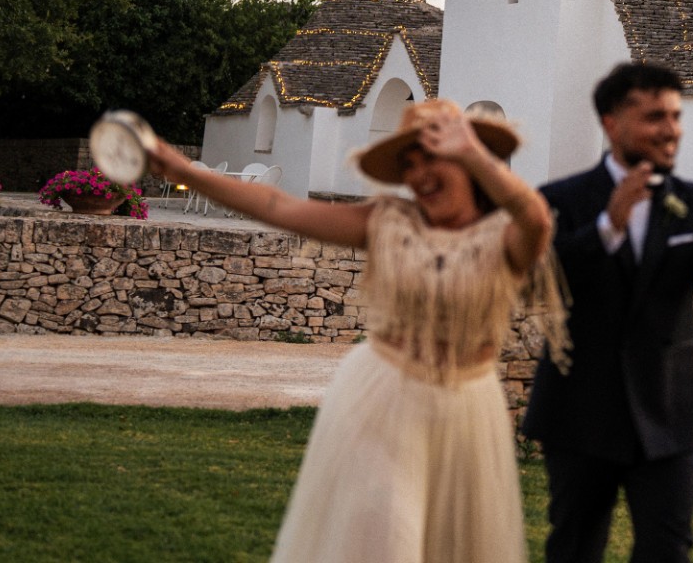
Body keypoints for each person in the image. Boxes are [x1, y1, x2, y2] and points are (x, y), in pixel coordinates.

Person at [145, 99, 567, 563]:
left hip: (468, 409)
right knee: (387, 542)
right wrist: (186, 170)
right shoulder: (388, 221)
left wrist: (472, 151)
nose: (419, 174)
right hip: (385, 399)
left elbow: (537, 218)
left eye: (434, 156)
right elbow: (279, 205)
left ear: (469, 157)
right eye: (408, 163)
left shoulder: (507, 234)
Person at [522, 62, 693, 562]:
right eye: (655, 116)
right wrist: (609, 224)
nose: (671, 129)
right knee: (574, 548)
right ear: (612, 122)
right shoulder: (560, 200)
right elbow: (545, 277)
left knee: (667, 551)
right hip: (579, 409)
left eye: (675, 116)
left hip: (667, 410)